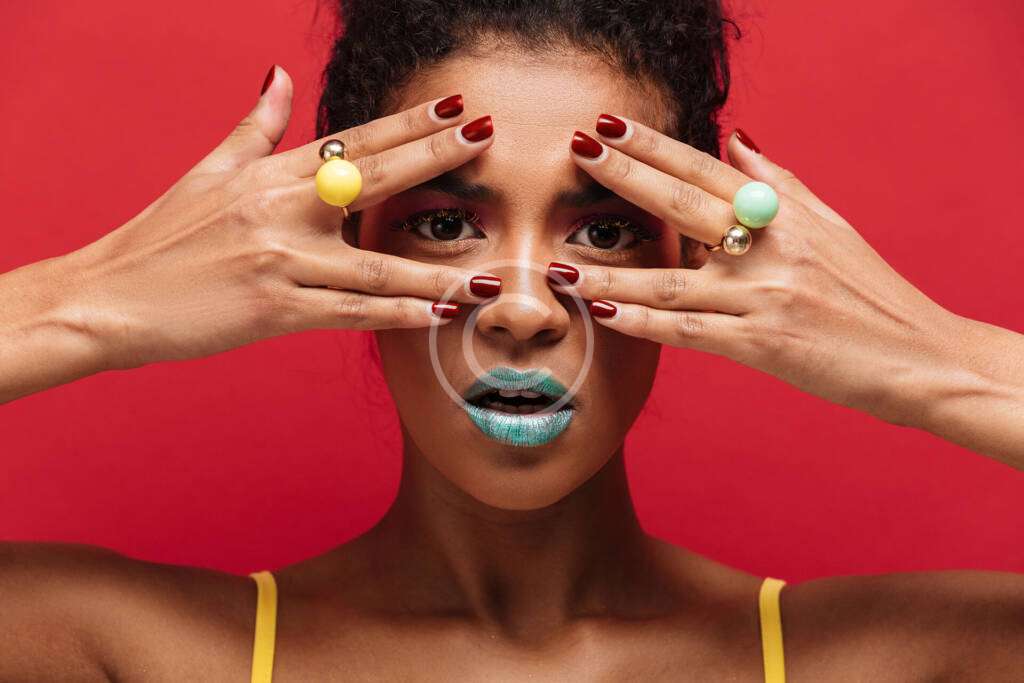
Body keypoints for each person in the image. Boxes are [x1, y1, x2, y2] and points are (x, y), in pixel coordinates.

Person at [1, 1, 1022, 680]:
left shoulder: (902, 658)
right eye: (447, 222)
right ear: (345, 246)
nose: (524, 308)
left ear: (700, 253)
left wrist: (933, 360)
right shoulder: (131, 649)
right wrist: (87, 304)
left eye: (605, 229)